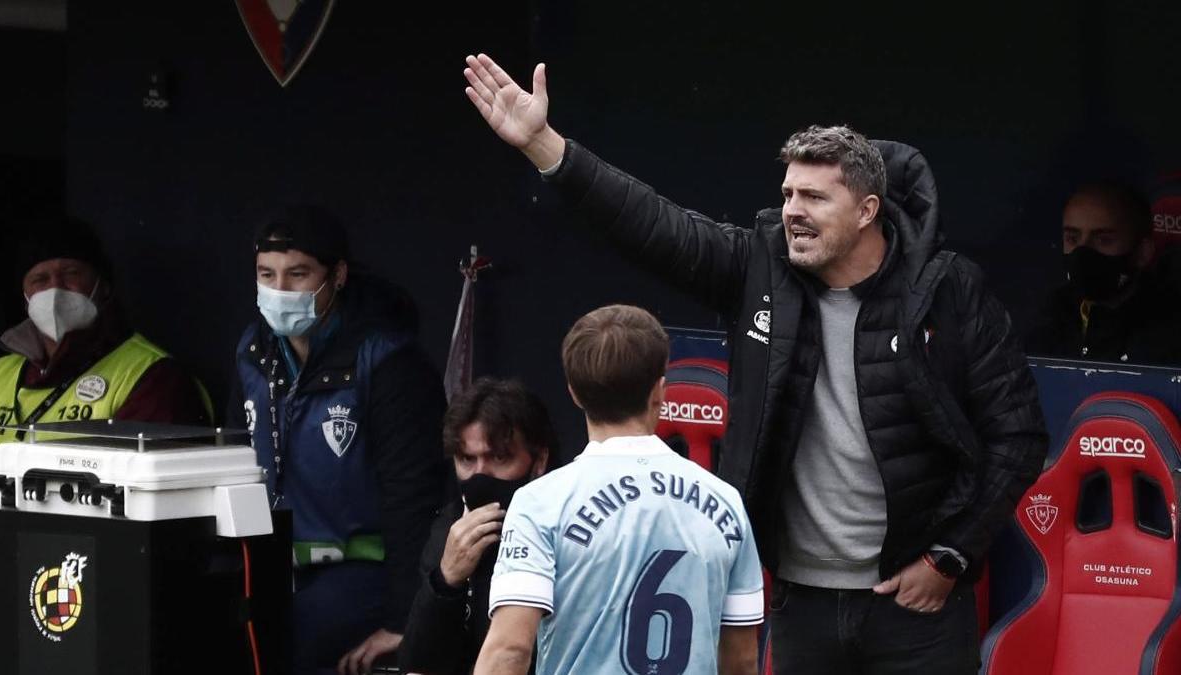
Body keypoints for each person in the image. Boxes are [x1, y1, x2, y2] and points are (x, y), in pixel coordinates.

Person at [463, 54, 1048, 674]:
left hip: (919, 604)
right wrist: (546, 147)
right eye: (788, 193)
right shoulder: (761, 268)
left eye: (815, 197)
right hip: (798, 600)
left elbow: (1018, 434)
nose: (793, 210)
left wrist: (949, 556)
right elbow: (652, 226)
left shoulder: (947, 290)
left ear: (868, 211)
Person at [475, 304, 764, 675]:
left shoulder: (540, 503)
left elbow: (509, 651)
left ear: (573, 393)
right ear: (661, 392)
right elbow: (741, 660)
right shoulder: (726, 502)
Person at [229, 206, 448, 674]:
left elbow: (414, 496)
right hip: (267, 570)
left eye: (298, 273)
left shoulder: (388, 362)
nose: (280, 291)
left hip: (358, 577)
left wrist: (403, 617)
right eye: (266, 275)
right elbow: (228, 463)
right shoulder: (254, 352)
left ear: (338, 275)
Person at [0, 216, 211, 497]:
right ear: (24, 296)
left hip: (70, 541)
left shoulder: (153, 377)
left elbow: (144, 498)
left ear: (102, 285)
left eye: (71, 274)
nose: (55, 289)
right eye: (40, 279)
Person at [399, 377, 558, 675]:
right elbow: (418, 663)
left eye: (499, 457)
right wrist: (446, 582)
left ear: (539, 460)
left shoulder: (566, 528)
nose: (480, 475)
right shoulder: (451, 527)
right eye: (467, 459)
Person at [1025, 182, 1181, 365]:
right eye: (1072, 239)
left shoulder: (1168, 329)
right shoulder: (1050, 315)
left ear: (1142, 253)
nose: (1083, 252)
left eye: (1103, 240)